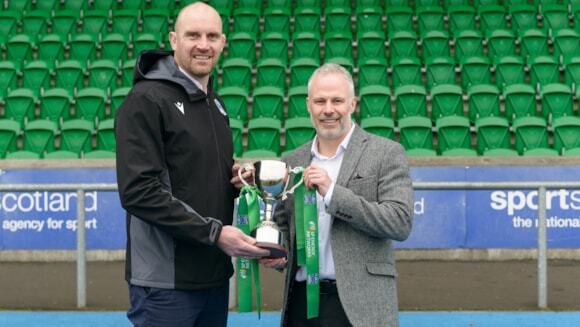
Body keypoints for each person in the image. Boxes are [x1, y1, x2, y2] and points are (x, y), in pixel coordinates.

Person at [115, 3, 268, 326]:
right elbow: (138, 192)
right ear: (173, 39)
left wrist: (237, 177)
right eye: (193, 35)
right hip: (165, 284)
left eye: (212, 36)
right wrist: (214, 233)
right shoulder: (146, 100)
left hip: (212, 274)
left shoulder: (215, 102)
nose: (203, 44)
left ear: (223, 42)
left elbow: (196, 175)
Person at [261, 63, 414, 327]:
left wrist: (333, 193)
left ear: (353, 104)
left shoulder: (386, 153)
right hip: (301, 302)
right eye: (320, 101)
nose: (328, 109)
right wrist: (278, 252)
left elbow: (399, 221)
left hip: (359, 305)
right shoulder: (292, 160)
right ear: (308, 105)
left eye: (337, 101)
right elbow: (286, 228)